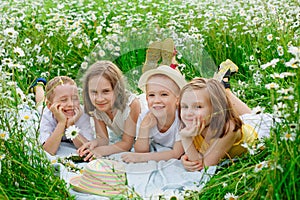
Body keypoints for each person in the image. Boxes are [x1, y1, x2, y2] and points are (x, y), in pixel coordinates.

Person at [179, 76, 262, 171]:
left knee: (254, 117)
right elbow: (195, 159)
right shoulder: (190, 124)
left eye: (198, 106)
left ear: (216, 108)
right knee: (247, 116)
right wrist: (185, 158)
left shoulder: (229, 129)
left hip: (255, 131)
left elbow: (203, 167)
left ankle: (226, 90)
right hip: (232, 120)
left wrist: (186, 138)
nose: (189, 113)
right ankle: (223, 88)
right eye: (184, 106)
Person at [77, 60, 141, 161]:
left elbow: (127, 143)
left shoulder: (132, 104)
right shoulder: (97, 108)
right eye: (94, 92)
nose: (99, 98)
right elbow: (103, 139)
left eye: (106, 91)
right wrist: (95, 143)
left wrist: (100, 151)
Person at [121, 65, 187, 163]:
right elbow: (140, 150)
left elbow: (176, 153)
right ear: (147, 99)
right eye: (151, 95)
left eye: (164, 94)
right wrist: (144, 128)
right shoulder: (145, 117)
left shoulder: (182, 119)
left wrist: (142, 158)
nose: (156, 100)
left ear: (177, 99)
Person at [38, 76, 95, 155]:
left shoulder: (82, 114)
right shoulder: (46, 115)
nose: (71, 104)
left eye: (75, 98)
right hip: (42, 107)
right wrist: (61, 122)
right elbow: (48, 150)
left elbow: (87, 147)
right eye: (64, 100)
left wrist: (70, 125)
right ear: (50, 105)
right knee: (40, 102)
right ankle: (39, 86)